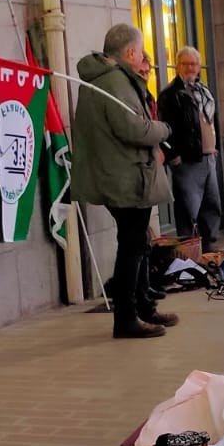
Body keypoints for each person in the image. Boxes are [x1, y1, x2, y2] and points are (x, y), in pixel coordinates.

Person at [71, 24, 177, 341]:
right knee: (132, 247)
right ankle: (127, 318)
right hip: (127, 178)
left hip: (119, 175)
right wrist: (165, 130)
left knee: (140, 242)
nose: (144, 56)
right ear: (130, 52)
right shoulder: (115, 82)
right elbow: (134, 129)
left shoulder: (101, 80)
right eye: (142, 50)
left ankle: (143, 306)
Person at [158, 46, 221, 252]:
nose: (191, 68)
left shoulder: (204, 91)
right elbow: (165, 128)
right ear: (178, 66)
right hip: (187, 160)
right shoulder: (170, 94)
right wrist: (173, 156)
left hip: (208, 157)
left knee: (211, 206)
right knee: (188, 209)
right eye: (186, 64)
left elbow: (211, 121)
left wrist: (215, 146)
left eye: (194, 64)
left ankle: (210, 250)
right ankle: (188, 255)